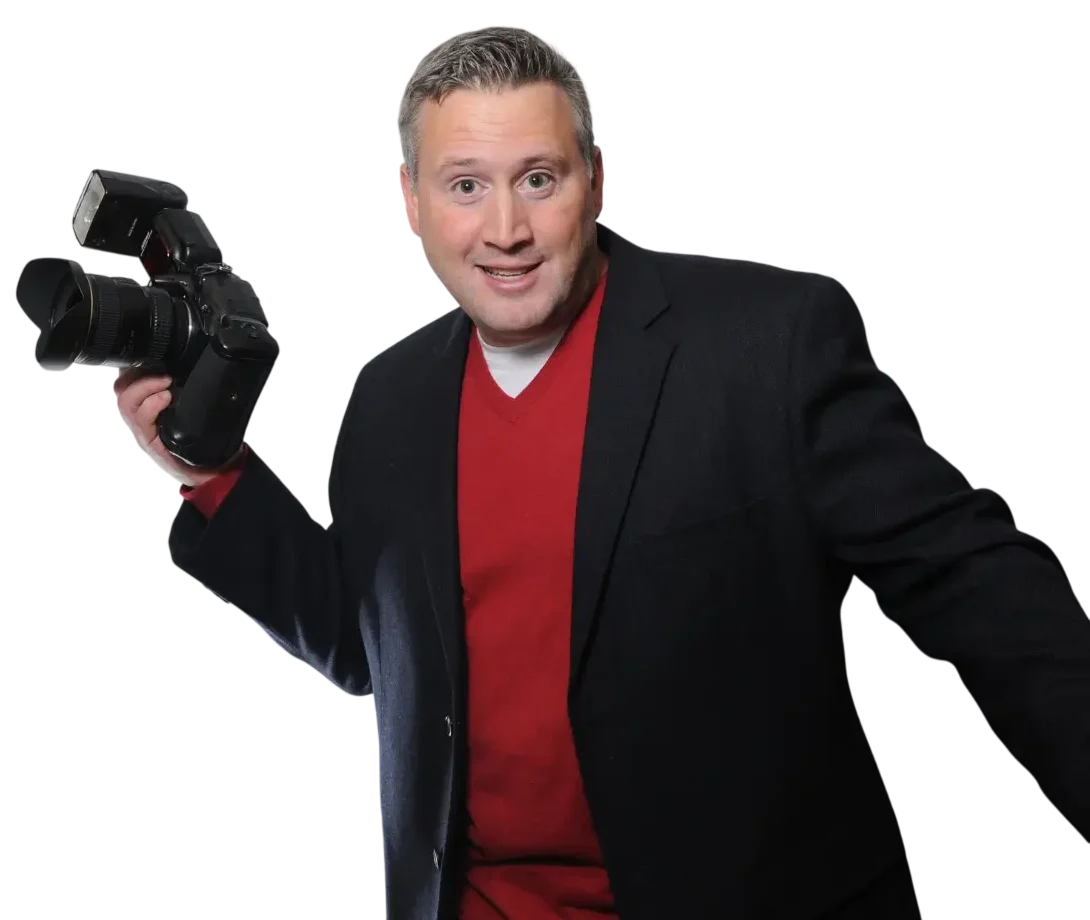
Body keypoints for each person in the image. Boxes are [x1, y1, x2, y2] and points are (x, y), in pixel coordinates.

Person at [112, 25, 1090, 920]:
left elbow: (976, 585)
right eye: (465, 185)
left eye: (538, 179)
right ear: (409, 201)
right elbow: (386, 661)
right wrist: (217, 478)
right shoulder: (391, 396)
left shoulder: (767, 342)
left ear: (596, 179)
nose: (505, 229)